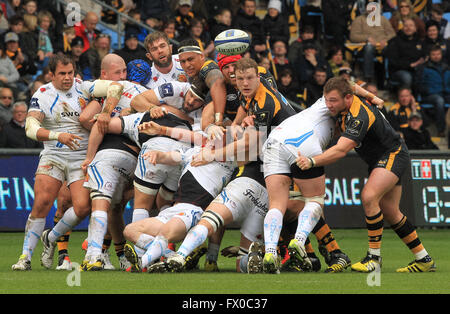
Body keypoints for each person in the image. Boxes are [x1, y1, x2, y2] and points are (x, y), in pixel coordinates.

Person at [296, 77, 436, 273]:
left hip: (393, 154)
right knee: (391, 212)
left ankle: (374, 258)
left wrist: (312, 161)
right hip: (381, 159)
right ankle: (424, 259)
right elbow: (350, 84)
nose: (329, 105)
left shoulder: (359, 115)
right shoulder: (347, 98)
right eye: (327, 100)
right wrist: (373, 97)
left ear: (347, 98)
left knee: (369, 197)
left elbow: (341, 150)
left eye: (333, 100)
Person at [10, 55, 93, 271]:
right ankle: (24, 257)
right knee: (42, 203)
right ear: (52, 75)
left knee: (83, 207)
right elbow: (30, 129)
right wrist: (59, 136)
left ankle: (51, 237)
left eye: (71, 73)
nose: (68, 78)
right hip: (54, 155)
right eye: (62, 74)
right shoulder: (43, 94)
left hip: (80, 157)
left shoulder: (84, 88)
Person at [123, 127, 236, 273]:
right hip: (174, 209)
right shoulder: (193, 153)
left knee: (165, 232)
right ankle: (172, 256)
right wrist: (158, 155)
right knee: (130, 230)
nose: (211, 139)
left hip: (194, 211)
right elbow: (170, 157)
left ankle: (141, 263)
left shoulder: (229, 160)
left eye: (218, 137)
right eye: (211, 137)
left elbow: (243, 145)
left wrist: (216, 141)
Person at [177, 39, 227, 128]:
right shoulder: (193, 71)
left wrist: (218, 120)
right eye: (183, 61)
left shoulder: (207, 69)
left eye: (190, 59)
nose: (187, 65)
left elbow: (218, 82)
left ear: (201, 56)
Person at [349, 1, 396, 83]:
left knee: (392, 48)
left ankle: (388, 77)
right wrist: (367, 38)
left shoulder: (383, 19)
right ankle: (368, 77)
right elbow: (353, 36)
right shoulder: (359, 19)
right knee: (369, 47)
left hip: (382, 45)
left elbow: (392, 34)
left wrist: (385, 40)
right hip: (365, 46)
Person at [415, 45, 450, 137]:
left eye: (438, 54)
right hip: (429, 96)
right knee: (439, 101)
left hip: (445, 94)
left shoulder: (447, 67)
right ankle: (441, 130)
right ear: (429, 55)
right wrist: (428, 90)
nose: (436, 56)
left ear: (441, 55)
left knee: (441, 99)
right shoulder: (423, 67)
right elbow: (417, 84)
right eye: (433, 54)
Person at [385, 18, 424, 89]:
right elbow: (393, 61)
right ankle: (405, 98)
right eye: (406, 26)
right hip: (398, 71)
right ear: (402, 28)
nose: (408, 28)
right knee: (407, 77)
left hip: (417, 69)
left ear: (415, 28)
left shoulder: (420, 41)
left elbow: (423, 56)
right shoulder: (395, 41)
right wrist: (410, 65)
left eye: (411, 26)